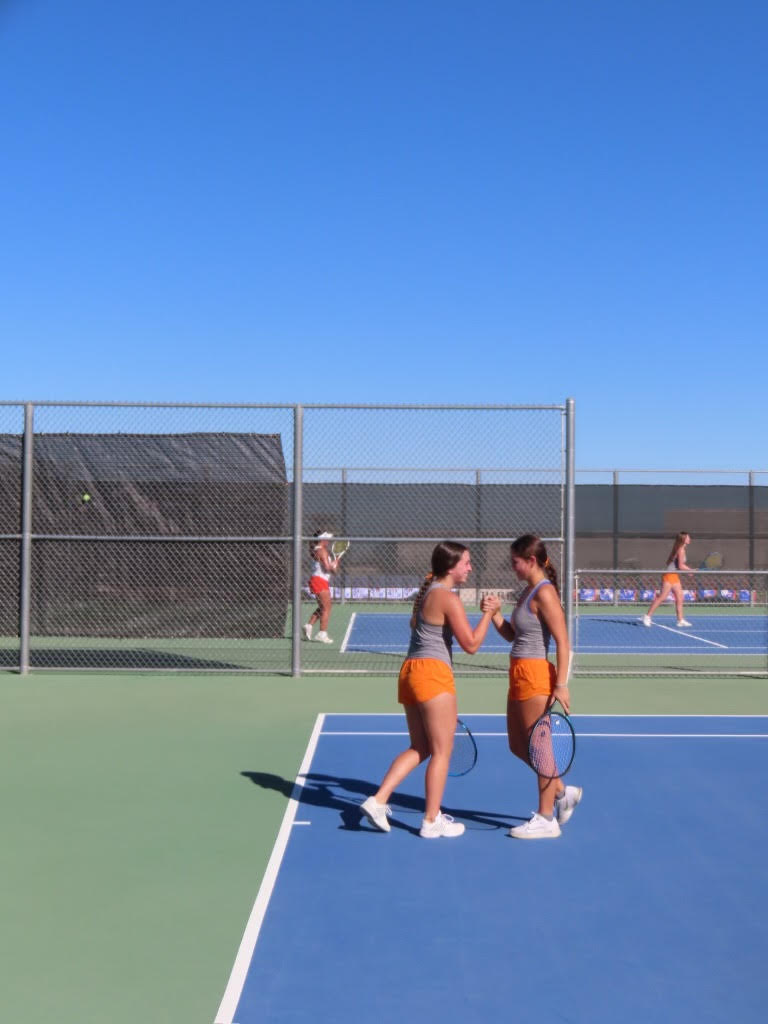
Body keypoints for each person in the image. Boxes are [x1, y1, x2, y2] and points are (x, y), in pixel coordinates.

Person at [359, 541, 501, 839]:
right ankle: (431, 820)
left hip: (410, 673)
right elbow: (472, 645)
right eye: (466, 562)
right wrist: (490, 612)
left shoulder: (427, 592)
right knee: (441, 752)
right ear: (451, 567)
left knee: (420, 747)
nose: (470, 567)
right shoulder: (448, 598)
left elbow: (418, 625)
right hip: (433, 676)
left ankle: (377, 800)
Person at [482, 534, 582, 840]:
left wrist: (562, 684)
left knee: (540, 748)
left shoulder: (545, 593)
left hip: (537, 675)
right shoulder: (527, 592)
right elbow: (514, 635)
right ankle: (563, 792)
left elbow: (564, 642)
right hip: (519, 673)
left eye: (515, 561)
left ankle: (546, 817)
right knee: (517, 745)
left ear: (531, 561)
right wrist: (496, 614)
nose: (512, 567)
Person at [642, 531, 694, 628]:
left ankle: (680, 620)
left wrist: (689, 571)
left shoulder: (680, 548)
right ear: (683, 539)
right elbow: (681, 566)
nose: (689, 539)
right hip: (669, 576)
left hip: (674, 576)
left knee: (680, 597)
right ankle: (647, 616)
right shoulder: (681, 550)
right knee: (662, 597)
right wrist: (690, 570)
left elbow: (674, 565)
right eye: (688, 537)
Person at [303, 531, 341, 643]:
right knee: (327, 608)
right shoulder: (322, 550)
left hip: (318, 580)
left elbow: (328, 569)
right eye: (327, 539)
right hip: (319, 581)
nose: (328, 541)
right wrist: (334, 565)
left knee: (322, 607)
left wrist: (334, 564)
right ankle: (322, 634)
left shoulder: (317, 549)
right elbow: (328, 568)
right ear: (322, 540)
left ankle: (309, 626)